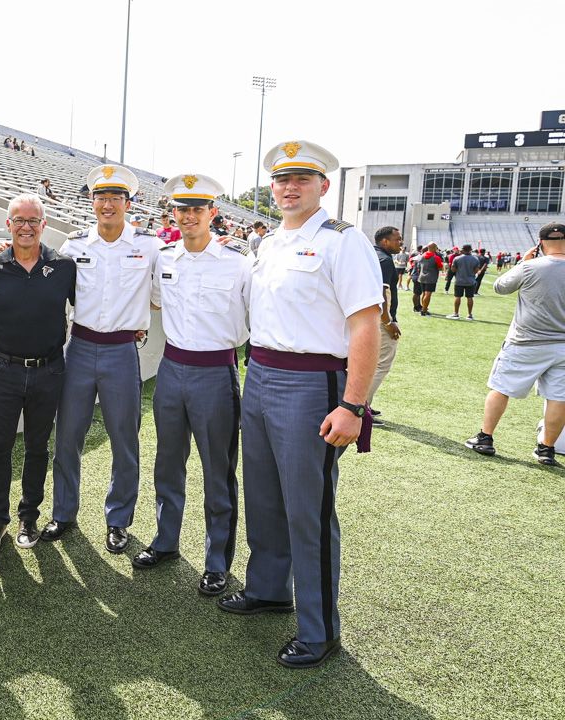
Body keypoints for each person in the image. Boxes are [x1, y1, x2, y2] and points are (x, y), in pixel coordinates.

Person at [217, 140, 382, 670]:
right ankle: (268, 588)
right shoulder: (267, 242)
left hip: (312, 385)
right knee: (264, 496)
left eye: (302, 180)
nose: (289, 188)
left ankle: (320, 629)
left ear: (323, 187)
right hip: (260, 375)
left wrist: (354, 405)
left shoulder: (343, 242)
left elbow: (365, 325)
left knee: (308, 510)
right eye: (282, 180)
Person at [135, 173, 250, 596]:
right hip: (172, 369)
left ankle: (217, 561)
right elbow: (152, 301)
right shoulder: (164, 259)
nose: (188, 216)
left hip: (216, 373)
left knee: (217, 470)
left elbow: (255, 320)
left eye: (197, 209)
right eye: (182, 209)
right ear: (174, 214)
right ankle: (166, 541)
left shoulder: (238, 263)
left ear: (212, 213)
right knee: (168, 463)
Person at [44, 164, 157, 554]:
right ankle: (63, 512)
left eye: (116, 197)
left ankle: (119, 519)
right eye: (101, 197)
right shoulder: (73, 246)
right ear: (91, 202)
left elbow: (163, 293)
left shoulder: (149, 246)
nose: (108, 204)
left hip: (123, 352)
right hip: (79, 349)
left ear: (128, 202)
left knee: (124, 439)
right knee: (68, 436)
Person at [0, 194, 75, 554]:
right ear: (8, 225)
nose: (26, 227)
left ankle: (28, 516)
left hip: (49, 370)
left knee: (37, 447)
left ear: (44, 225)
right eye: (19, 220)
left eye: (33, 220)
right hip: (4, 368)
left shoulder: (64, 266)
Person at [465, 222, 565, 467]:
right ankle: (546, 449)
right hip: (562, 343)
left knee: (501, 388)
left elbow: (501, 287)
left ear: (540, 243)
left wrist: (524, 262)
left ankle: (485, 438)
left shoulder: (531, 266)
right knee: (558, 397)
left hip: (525, 341)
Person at [367, 227, 404, 427]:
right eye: (397, 239)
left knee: (371, 362)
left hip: (367, 318)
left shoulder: (373, 254)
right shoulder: (385, 260)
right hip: (378, 320)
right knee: (381, 364)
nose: (401, 242)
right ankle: (361, 407)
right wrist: (388, 322)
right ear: (384, 241)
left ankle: (362, 405)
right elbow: (381, 294)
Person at [448, 245, 482, 320]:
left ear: (463, 250)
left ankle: (456, 314)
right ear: (470, 250)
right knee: (470, 297)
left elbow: (453, 269)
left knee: (457, 297)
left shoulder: (457, 258)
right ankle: (469, 315)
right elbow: (476, 270)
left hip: (459, 280)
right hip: (470, 281)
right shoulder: (475, 259)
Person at [415, 243, 443, 316]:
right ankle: (424, 310)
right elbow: (440, 268)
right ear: (434, 248)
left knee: (424, 293)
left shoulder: (421, 256)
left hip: (422, 277)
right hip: (431, 278)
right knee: (428, 294)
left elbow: (418, 267)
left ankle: (424, 308)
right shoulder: (436, 257)